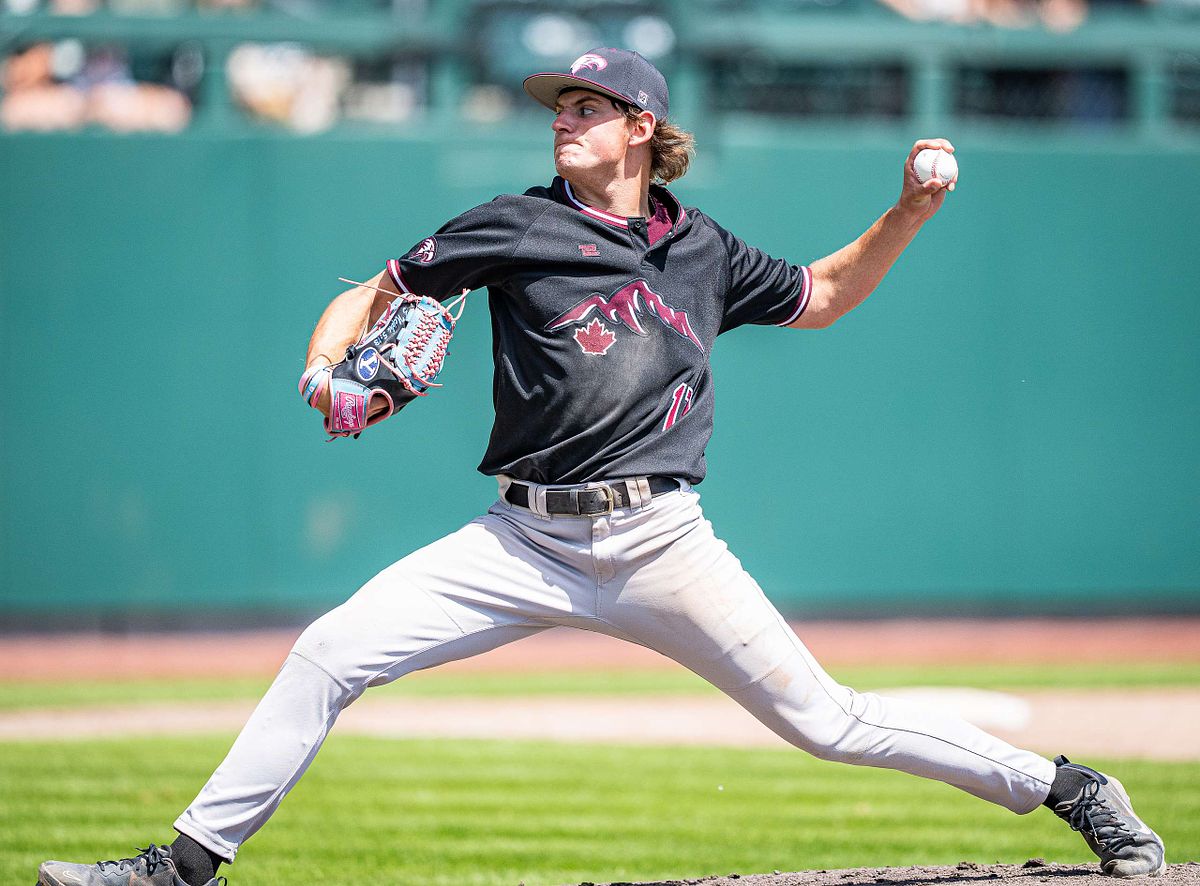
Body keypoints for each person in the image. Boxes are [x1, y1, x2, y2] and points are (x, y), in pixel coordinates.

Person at [37, 47, 1165, 886]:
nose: (563, 122)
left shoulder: (702, 248)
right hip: (519, 539)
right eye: (559, 108)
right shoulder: (512, 224)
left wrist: (908, 210)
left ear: (640, 128)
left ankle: (1066, 787)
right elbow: (375, 292)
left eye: (585, 107)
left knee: (830, 721)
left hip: (659, 542)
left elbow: (822, 294)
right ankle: (182, 868)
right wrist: (324, 366)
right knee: (330, 649)